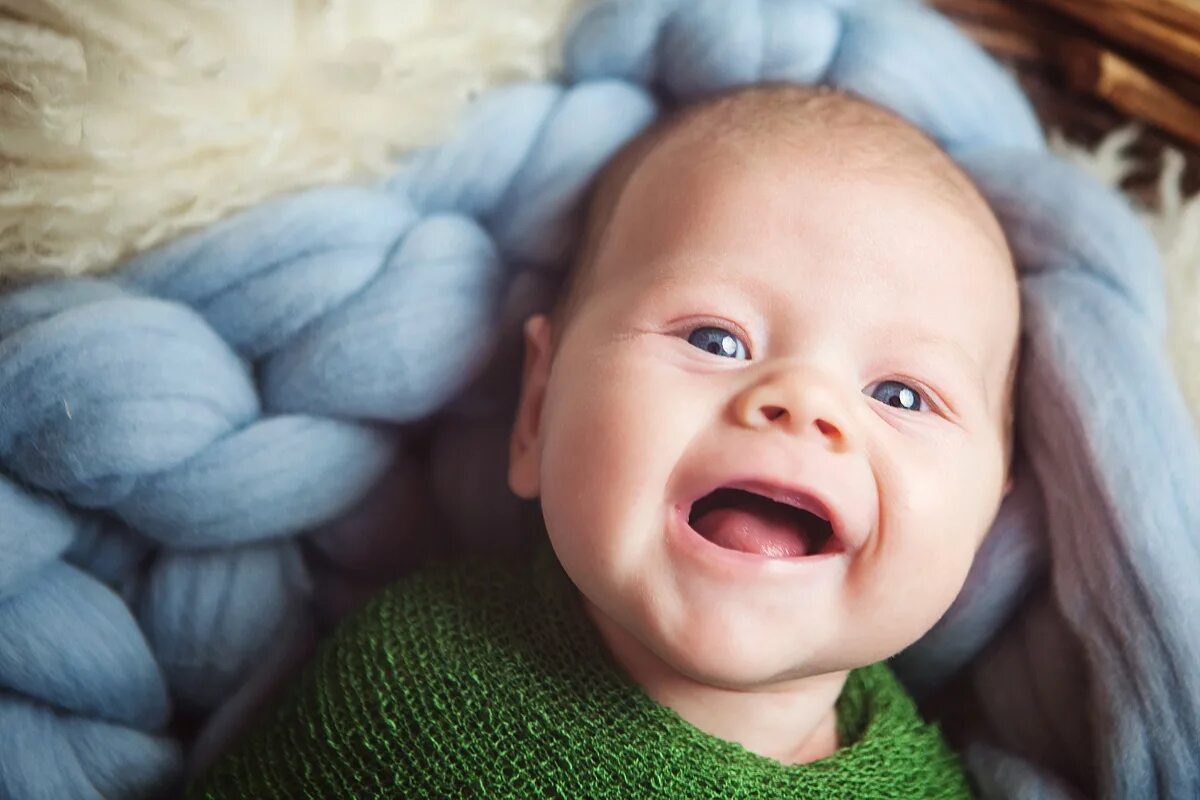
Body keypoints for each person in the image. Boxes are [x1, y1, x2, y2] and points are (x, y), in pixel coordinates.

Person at [188, 83, 1020, 798]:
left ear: (984, 520)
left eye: (902, 394)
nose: (803, 405)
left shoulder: (931, 782)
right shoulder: (420, 683)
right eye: (715, 340)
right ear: (537, 411)